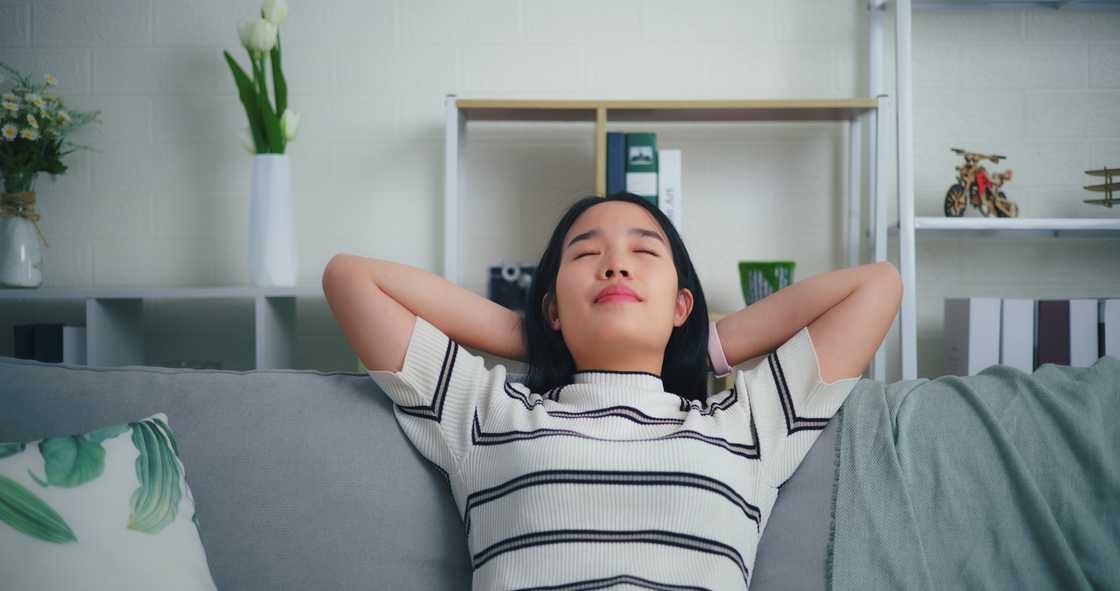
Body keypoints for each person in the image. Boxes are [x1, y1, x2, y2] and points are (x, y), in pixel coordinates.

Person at [322, 191, 902, 590]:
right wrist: (532, 332)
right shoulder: (488, 414)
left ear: (681, 303)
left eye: (645, 251)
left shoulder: (742, 427)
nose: (616, 266)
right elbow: (351, 279)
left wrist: (709, 343)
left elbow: (878, 287)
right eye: (587, 253)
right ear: (550, 304)